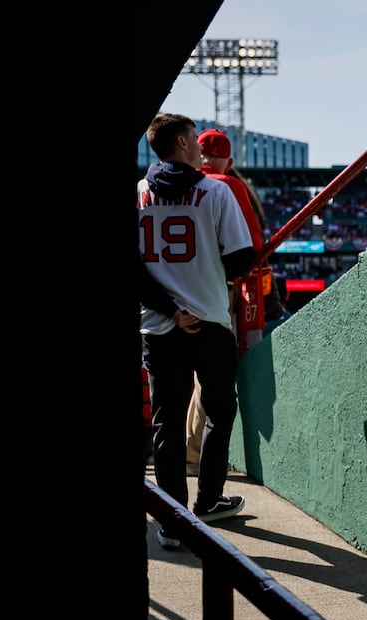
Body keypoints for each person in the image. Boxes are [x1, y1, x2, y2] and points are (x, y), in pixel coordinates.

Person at [138, 113, 253, 549]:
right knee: (220, 412)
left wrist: (170, 306)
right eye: (193, 139)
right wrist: (205, 275)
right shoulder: (215, 191)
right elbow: (242, 258)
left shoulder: (140, 193)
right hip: (209, 319)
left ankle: (172, 521)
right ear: (184, 143)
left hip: (158, 324)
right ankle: (208, 500)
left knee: (167, 422)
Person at [183, 128, 269, 474]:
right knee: (214, 377)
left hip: (170, 292)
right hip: (218, 288)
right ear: (229, 160)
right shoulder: (226, 185)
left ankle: (184, 453)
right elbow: (252, 244)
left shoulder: (167, 184)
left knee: (186, 377)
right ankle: (192, 455)